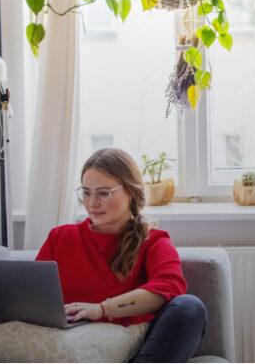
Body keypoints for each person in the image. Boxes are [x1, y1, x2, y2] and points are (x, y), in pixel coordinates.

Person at [36, 148, 207, 362]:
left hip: (134, 352)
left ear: (131, 192)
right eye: (86, 192)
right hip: (72, 349)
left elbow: (170, 286)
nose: (92, 203)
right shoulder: (60, 237)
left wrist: (102, 309)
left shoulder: (153, 240)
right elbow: (34, 295)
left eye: (103, 193)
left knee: (190, 308)